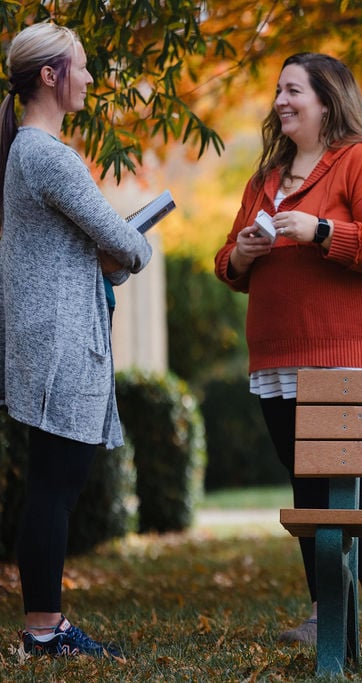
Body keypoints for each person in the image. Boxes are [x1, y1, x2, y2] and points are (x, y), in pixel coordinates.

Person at [214, 52, 362, 652]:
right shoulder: (266, 179)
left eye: (293, 90)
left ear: (327, 100)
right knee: (308, 485)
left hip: (347, 355)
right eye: (278, 90)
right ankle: (326, 613)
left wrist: (320, 231)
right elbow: (226, 261)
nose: (280, 101)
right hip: (278, 359)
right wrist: (247, 253)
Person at [0, 22, 152, 659]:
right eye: (81, 68)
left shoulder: (26, 152)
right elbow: (127, 244)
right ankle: (43, 628)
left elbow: (89, 245)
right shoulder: (47, 154)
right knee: (57, 487)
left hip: (48, 337)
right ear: (48, 76)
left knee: (53, 485)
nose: (90, 79)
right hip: (60, 342)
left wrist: (107, 251)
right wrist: (130, 244)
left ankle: (44, 625)